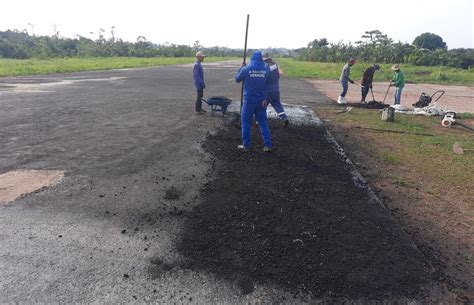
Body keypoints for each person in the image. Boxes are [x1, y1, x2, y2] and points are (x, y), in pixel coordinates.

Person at [235, 51, 272, 152]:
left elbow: (237, 79)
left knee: (246, 123)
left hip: (249, 101)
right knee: (263, 123)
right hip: (261, 101)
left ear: (252, 58)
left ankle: (246, 145)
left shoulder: (247, 68)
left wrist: (240, 68)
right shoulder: (266, 68)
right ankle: (268, 145)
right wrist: (266, 98)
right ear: (261, 58)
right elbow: (268, 85)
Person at [263, 54, 289, 127]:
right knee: (277, 104)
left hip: (267, 91)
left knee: (263, 106)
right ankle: (284, 118)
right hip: (276, 89)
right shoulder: (274, 65)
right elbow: (278, 76)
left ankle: (261, 121)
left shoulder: (265, 66)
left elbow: (264, 78)